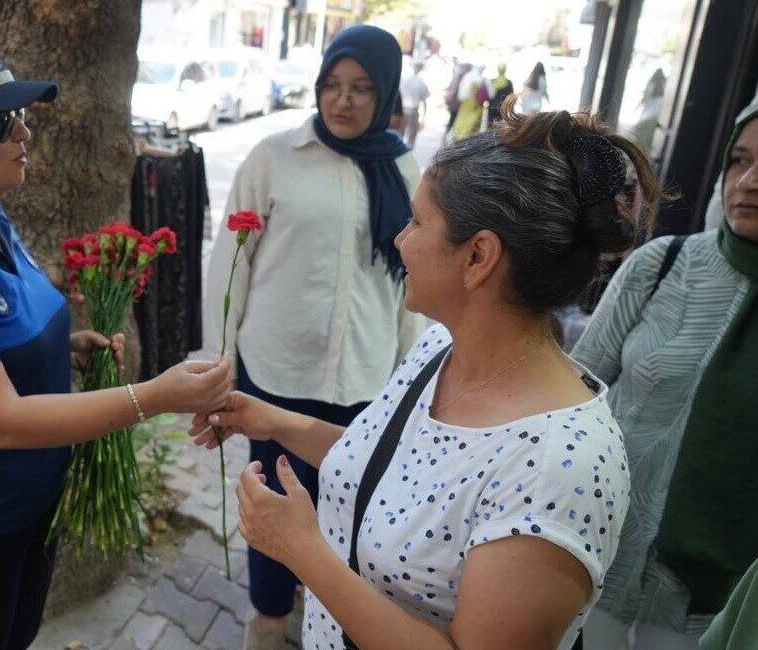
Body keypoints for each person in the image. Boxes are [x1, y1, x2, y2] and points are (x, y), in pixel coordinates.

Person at [196, 99, 664, 650]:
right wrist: (273, 420)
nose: (400, 240)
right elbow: (395, 471)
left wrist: (303, 552)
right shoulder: (440, 348)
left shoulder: (562, 467)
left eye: (418, 222)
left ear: (478, 257)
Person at [0, 33, 232, 650]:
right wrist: (154, 397)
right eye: (2, 122)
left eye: (22, 115)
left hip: (31, 507)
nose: (25, 133)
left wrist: (59, 348)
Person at [202, 24, 425, 650]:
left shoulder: (404, 168)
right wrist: (219, 357)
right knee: (273, 504)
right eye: (332, 84)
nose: (342, 100)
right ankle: (269, 622)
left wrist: (409, 373)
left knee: (345, 507)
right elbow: (231, 264)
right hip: (277, 372)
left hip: (365, 379)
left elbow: (410, 280)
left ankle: (325, 607)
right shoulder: (275, 156)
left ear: (386, 94)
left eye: (361, 88)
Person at [573, 97, 758, 650]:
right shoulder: (664, 264)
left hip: (713, 597)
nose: (749, 182)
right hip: (596, 547)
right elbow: (574, 389)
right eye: (740, 160)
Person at [400, 60, 430, 148]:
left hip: (402, 109)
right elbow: (424, 102)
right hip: (413, 110)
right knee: (412, 136)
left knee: (400, 133)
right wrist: (423, 117)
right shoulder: (422, 83)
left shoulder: (404, 80)